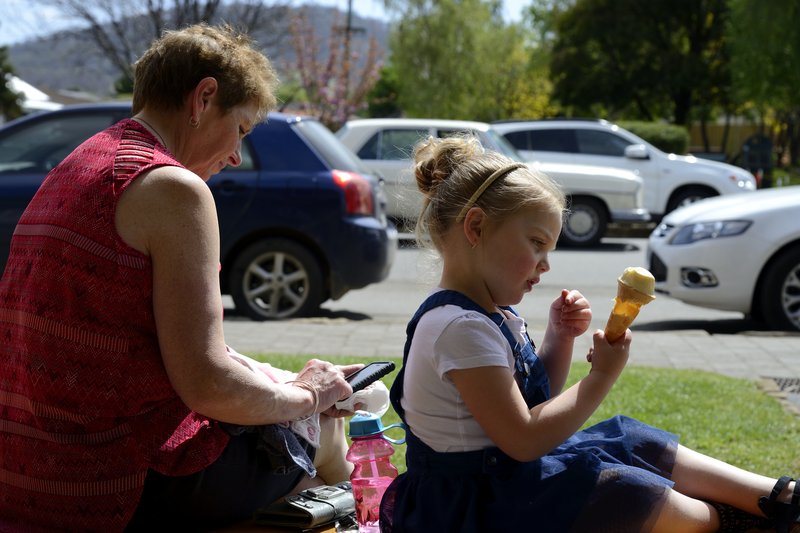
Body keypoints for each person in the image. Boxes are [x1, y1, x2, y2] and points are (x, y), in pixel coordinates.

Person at [0, 24, 363, 531]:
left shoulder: (80, 161)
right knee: (325, 437)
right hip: (111, 484)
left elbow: (150, 346)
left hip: (23, 469)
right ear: (204, 97)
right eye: (241, 128)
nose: (237, 156)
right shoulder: (173, 188)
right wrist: (310, 395)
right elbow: (207, 384)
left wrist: (278, 381)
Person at [379, 135, 800, 533]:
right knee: (629, 494)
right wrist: (601, 377)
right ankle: (740, 519)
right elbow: (524, 438)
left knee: (630, 438)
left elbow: (530, 405)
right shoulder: (458, 327)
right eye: (536, 243)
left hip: (505, 483)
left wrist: (559, 339)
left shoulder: (489, 315)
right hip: (472, 509)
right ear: (476, 228)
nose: (545, 265)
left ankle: (774, 496)